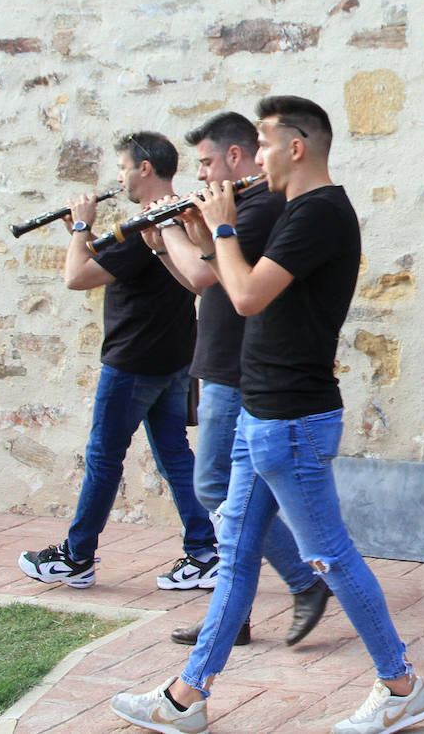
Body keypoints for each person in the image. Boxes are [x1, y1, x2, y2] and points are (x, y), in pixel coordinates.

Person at [110, 97, 424, 734]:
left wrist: (222, 231)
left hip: (294, 418)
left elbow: (249, 296)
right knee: (233, 557)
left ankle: (401, 686)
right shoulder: (298, 210)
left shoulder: (320, 213)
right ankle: (186, 697)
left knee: (330, 557)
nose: (252, 159)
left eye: (261, 144)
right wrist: (202, 236)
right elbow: (233, 282)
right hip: (262, 411)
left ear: (296, 147)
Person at [142, 112, 332, 646]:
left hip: (236, 368)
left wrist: (177, 228)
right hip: (221, 363)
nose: (199, 177)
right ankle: (236, 614)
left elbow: (208, 274)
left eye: (204, 162)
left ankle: (302, 581)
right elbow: (203, 284)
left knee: (215, 489)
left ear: (233, 157)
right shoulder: (239, 209)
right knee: (235, 497)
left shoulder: (259, 205)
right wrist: (165, 241)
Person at [18, 133, 215, 591]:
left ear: (145, 169)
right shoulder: (182, 215)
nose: (120, 177)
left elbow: (76, 276)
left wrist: (80, 227)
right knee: (174, 456)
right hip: (174, 362)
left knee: (104, 458)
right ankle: (204, 551)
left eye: (124, 167)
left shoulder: (147, 224)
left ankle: (77, 555)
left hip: (132, 364)